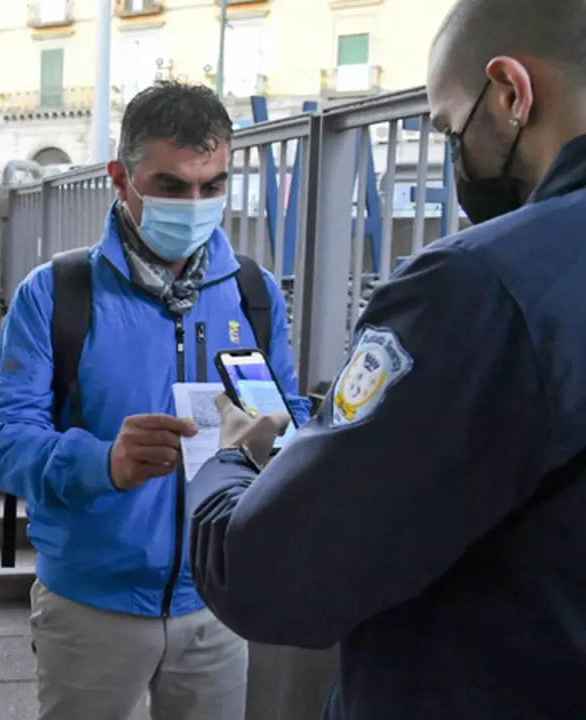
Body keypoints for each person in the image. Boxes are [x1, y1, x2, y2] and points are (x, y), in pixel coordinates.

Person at [184, 1, 586, 718]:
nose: (452, 153)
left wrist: (226, 461)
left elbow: (274, 576)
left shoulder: (480, 286)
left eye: (447, 127)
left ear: (511, 92)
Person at [0, 81, 311, 720]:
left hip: (217, 601)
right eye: (169, 186)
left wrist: (286, 442)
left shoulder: (254, 293)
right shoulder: (57, 293)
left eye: (212, 186)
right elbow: (1, 440)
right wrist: (106, 463)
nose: (194, 204)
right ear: (119, 179)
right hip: (91, 606)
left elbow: (287, 413)